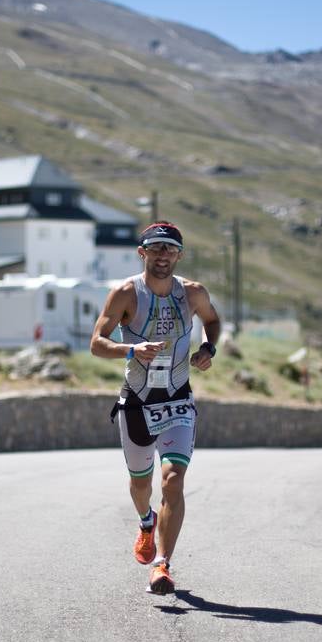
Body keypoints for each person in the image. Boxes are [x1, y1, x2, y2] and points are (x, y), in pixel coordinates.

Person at [91, 222, 222, 595]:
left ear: (179, 255)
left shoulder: (193, 293)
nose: (163, 255)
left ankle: (162, 564)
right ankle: (146, 521)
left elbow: (212, 321)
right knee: (140, 484)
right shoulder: (125, 294)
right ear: (142, 252)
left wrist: (208, 348)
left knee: (173, 480)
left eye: (170, 249)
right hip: (137, 400)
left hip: (177, 398)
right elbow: (97, 343)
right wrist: (131, 349)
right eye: (156, 248)